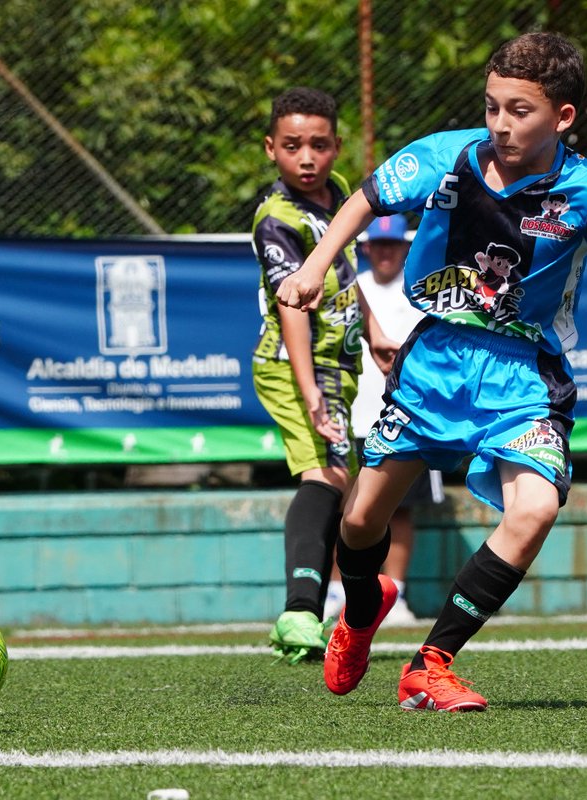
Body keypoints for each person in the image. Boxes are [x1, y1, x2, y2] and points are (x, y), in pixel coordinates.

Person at [276, 31, 587, 711]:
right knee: (362, 521)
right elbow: (366, 198)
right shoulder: (445, 156)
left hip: (524, 377)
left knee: (536, 507)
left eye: (520, 110)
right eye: (492, 107)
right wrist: (315, 266)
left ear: (563, 117)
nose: (501, 124)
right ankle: (362, 610)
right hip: (434, 364)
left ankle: (432, 662)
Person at [251, 87, 398, 665]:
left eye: (318, 144)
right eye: (292, 146)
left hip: (339, 363)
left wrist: (374, 328)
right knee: (326, 478)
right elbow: (292, 303)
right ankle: (300, 612)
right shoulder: (276, 218)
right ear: (271, 149)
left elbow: (341, 271)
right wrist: (309, 388)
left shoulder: (338, 195)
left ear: (337, 146)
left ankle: (340, 604)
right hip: (293, 367)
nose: (306, 158)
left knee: (348, 484)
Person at [323, 215, 446, 627]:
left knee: (401, 511)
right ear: (366, 248)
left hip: (411, 417)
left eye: (393, 245)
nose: (386, 252)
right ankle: (339, 594)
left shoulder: (423, 291)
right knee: (348, 509)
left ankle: (396, 595)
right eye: (379, 244)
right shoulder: (353, 290)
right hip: (355, 416)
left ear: (405, 247)